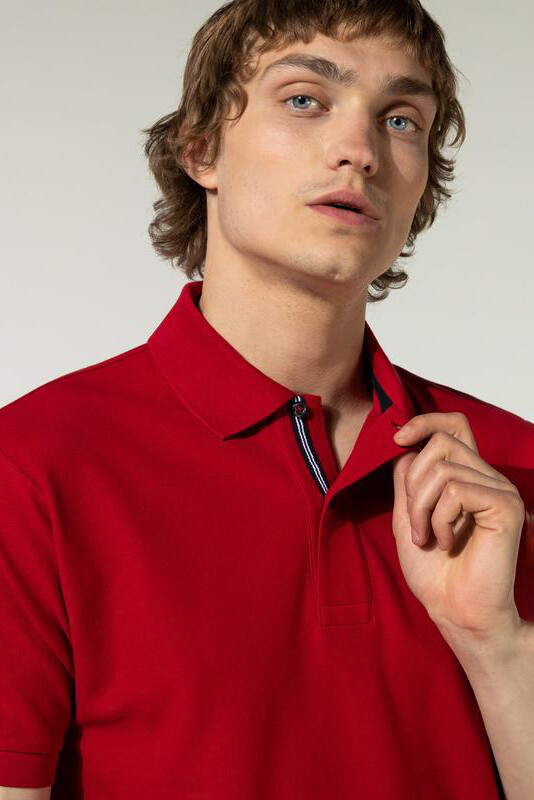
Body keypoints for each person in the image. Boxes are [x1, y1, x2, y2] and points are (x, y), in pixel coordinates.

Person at [0, 1, 533, 798]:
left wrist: (496, 644)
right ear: (201, 147)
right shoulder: (32, 468)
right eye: (305, 99)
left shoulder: (511, 472)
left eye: (401, 119)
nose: (360, 150)